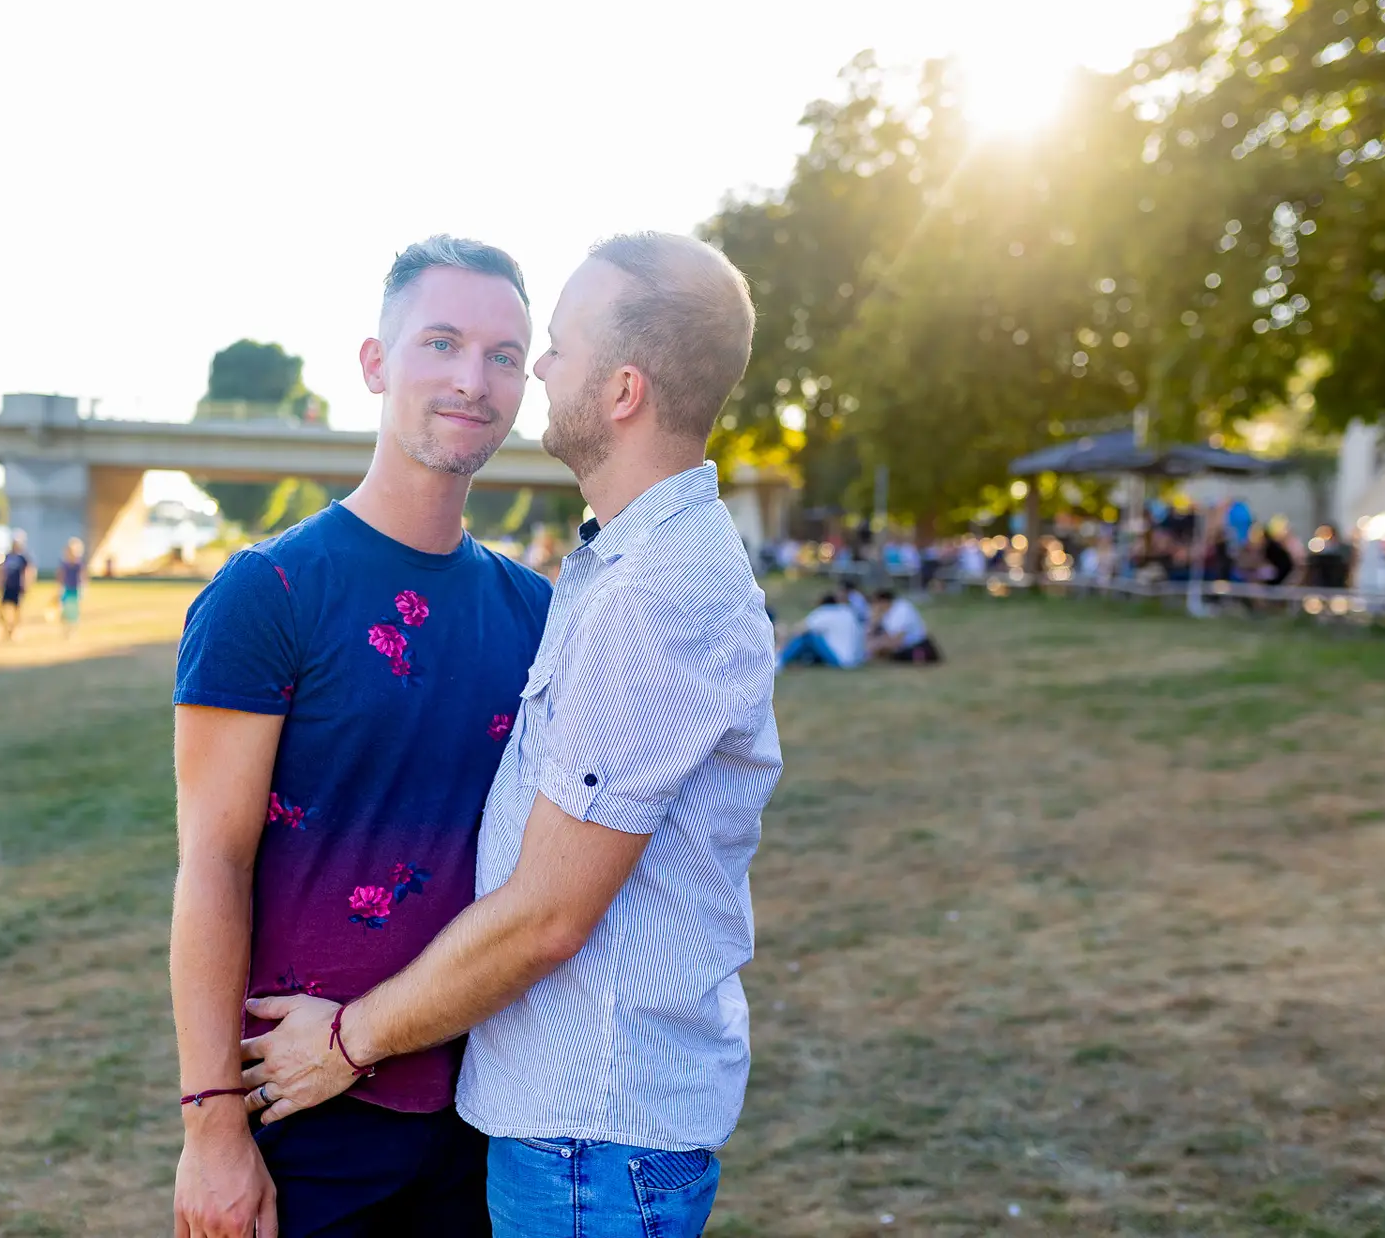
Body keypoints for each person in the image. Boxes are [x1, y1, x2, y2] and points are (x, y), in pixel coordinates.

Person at [239, 233, 781, 1238]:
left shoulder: (652, 596)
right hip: (575, 1134)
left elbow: (547, 916)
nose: (533, 369)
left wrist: (348, 1039)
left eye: (555, 347)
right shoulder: (623, 565)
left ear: (622, 390)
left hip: (591, 1143)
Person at [169, 236, 551, 1238]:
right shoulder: (267, 592)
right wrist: (211, 1128)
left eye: (505, 355)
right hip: (306, 1109)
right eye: (442, 342)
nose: (474, 378)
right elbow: (213, 864)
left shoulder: (541, 612)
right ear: (376, 364)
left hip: (494, 1109)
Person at [777, 592, 865, 670]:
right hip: (855, 659)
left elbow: (800, 629)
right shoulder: (847, 611)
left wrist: (783, 632)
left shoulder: (824, 612)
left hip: (840, 659)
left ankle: (781, 660)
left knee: (808, 637)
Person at [868, 588, 941, 664]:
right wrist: (874, 620)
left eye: (874, 603)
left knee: (880, 649)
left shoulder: (902, 609)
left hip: (915, 645)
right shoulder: (887, 612)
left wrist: (876, 645)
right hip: (901, 645)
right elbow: (872, 634)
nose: (873, 607)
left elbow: (897, 640)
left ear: (883, 602)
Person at [0, 530, 33, 639]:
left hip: (18, 586)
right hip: (7, 586)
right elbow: (2, 569)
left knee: (18, 609)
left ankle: (14, 629)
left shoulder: (23, 558)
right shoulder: (7, 556)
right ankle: (7, 626)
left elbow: (28, 571)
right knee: (1, 608)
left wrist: (27, 583)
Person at [56, 537, 85, 637]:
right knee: (64, 610)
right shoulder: (65, 565)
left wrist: (83, 589)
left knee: (74, 611)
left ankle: (73, 630)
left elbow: (83, 577)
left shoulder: (79, 565)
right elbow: (60, 576)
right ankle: (65, 629)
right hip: (66, 589)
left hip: (75, 590)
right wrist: (59, 588)